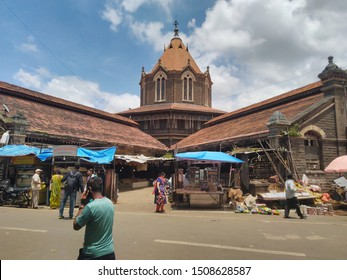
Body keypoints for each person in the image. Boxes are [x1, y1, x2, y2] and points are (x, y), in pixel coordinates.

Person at [73, 177, 115, 260]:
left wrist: (82, 205)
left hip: (92, 253)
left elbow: (76, 226)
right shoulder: (109, 203)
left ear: (89, 189)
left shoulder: (90, 207)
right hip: (109, 252)